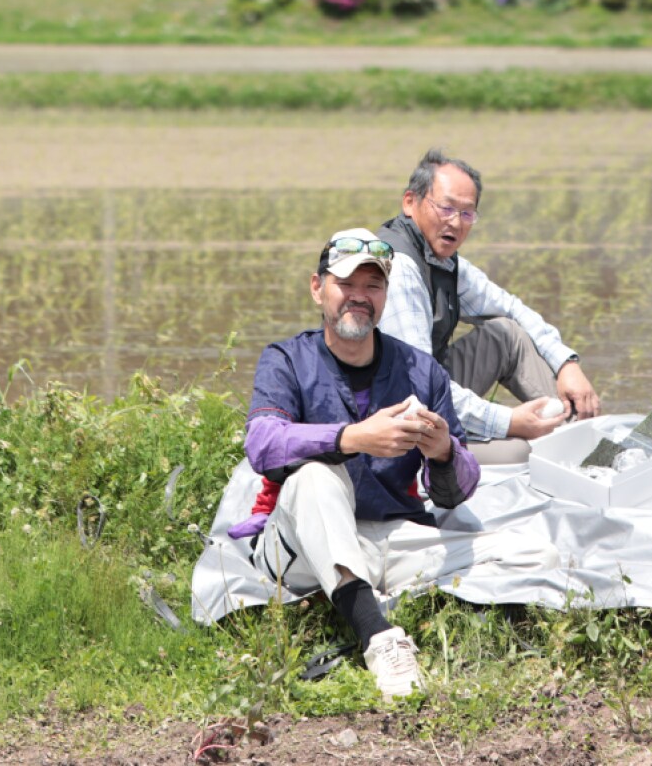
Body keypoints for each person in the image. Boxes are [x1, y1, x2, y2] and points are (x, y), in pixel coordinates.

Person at [228, 227, 559, 700]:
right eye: (347, 284)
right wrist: (354, 438)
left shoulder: (420, 371)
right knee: (315, 477)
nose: (359, 298)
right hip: (300, 545)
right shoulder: (287, 359)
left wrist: (444, 451)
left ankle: (375, 600)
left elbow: (453, 494)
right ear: (318, 288)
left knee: (537, 553)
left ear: (385, 295)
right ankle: (380, 638)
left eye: (373, 286)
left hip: (393, 539)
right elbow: (262, 445)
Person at [378, 149, 600, 464]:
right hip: (399, 423)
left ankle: (578, 434)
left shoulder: (443, 260)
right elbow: (421, 391)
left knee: (505, 334)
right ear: (409, 202)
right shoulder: (401, 270)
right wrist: (508, 420)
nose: (455, 222)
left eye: (467, 213)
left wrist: (567, 365)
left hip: (430, 394)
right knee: (518, 451)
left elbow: (511, 309)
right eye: (445, 208)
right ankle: (579, 446)